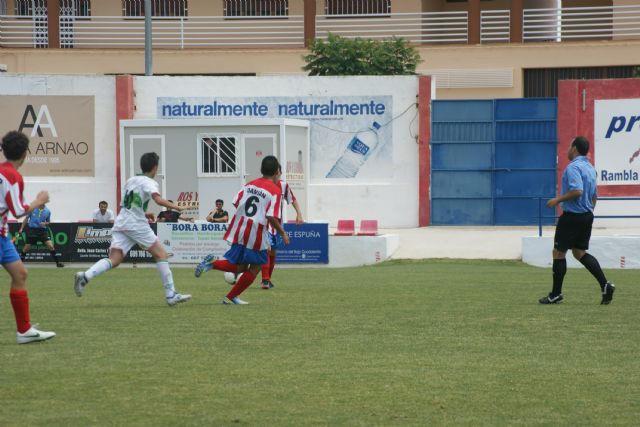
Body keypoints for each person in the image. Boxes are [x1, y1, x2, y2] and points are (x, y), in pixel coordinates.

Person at [74, 152, 192, 306]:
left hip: (122, 222)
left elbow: (127, 205)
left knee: (114, 260)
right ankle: (170, 295)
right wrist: (176, 207)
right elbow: (157, 199)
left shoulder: (130, 180)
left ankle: (85, 276)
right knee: (161, 254)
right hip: (136, 224)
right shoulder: (150, 182)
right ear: (155, 168)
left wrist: (144, 212)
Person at [194, 155, 289, 304]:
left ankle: (213, 264)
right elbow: (271, 217)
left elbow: (236, 202)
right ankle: (230, 297)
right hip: (255, 232)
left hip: (239, 228)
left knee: (241, 266)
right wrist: (282, 233)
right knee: (256, 267)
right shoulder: (275, 191)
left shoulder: (249, 184)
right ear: (277, 171)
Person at [539, 136, 615, 305]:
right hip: (587, 215)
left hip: (572, 216)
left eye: (569, 146)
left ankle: (556, 294)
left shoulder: (573, 168)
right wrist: (588, 212)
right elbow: (594, 196)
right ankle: (605, 285)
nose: (567, 149)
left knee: (558, 253)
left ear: (574, 148)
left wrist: (557, 200)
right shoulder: (590, 168)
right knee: (579, 252)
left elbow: (577, 191)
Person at [0, 130, 56, 344]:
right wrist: (39, 200)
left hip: (3, 236)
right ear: (25, 153)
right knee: (20, 275)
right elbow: (18, 210)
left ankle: (24, 330)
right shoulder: (13, 176)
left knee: (20, 274)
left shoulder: (2, 171)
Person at [260, 166, 304, 289]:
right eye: (275, 171)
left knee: (273, 251)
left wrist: (299, 214)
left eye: (278, 171)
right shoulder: (262, 186)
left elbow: (293, 199)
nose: (278, 174)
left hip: (277, 224)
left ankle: (267, 279)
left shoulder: (284, 186)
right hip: (264, 223)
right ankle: (265, 280)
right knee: (266, 250)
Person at [17, 203, 64, 268]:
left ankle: (58, 263)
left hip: (42, 232)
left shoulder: (48, 211)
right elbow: (26, 219)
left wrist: (44, 223)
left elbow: (48, 222)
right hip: (33, 231)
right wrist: (21, 228)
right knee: (25, 249)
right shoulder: (32, 209)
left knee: (51, 246)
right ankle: (19, 265)